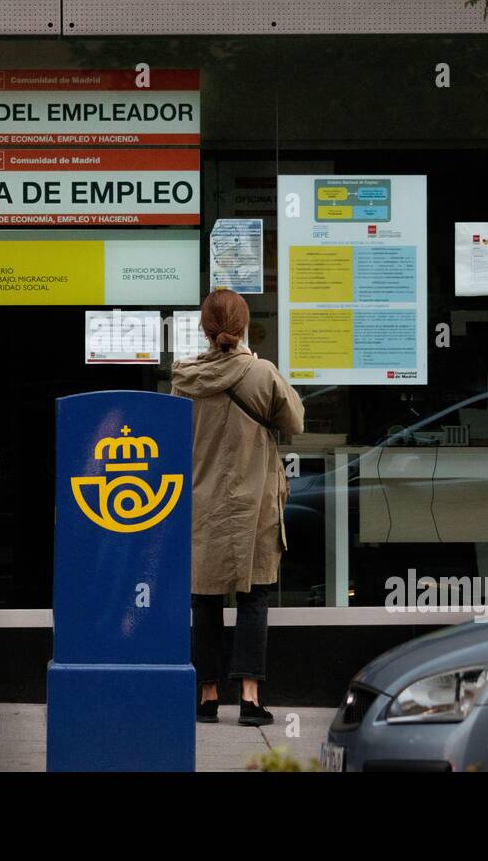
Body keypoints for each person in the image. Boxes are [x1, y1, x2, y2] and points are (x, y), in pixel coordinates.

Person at [170, 288, 304, 726]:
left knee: (204, 598)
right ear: (243, 327)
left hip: (202, 501)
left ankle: (207, 697)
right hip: (256, 505)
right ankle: (249, 698)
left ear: (204, 331)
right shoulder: (262, 373)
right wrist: (253, 358)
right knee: (254, 597)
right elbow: (296, 422)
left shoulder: (184, 380)